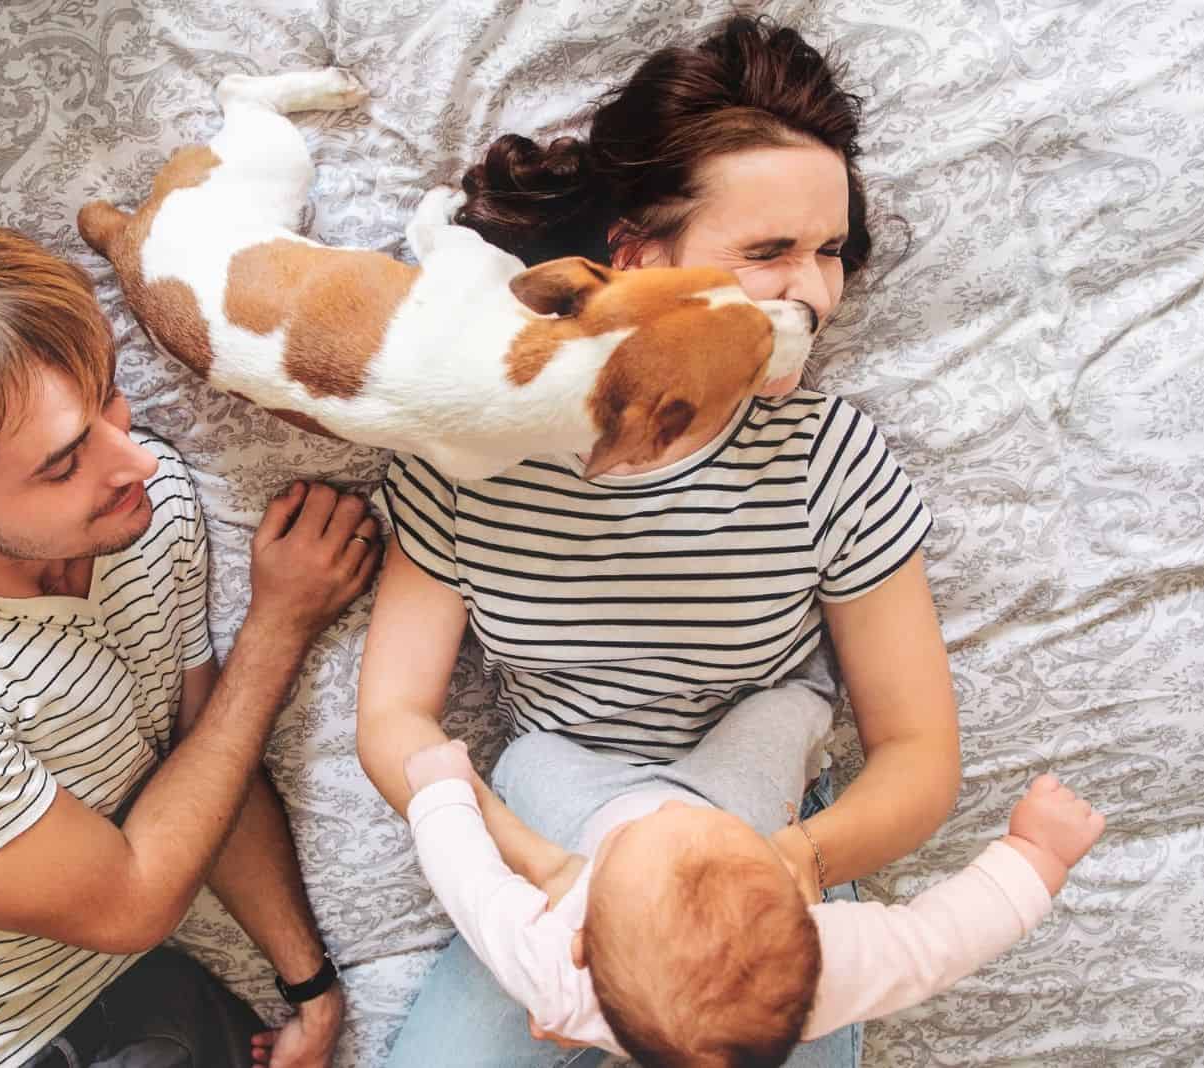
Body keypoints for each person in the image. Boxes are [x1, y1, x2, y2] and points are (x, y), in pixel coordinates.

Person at [356, 16, 959, 1067]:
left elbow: (918, 751)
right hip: (553, 820)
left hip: (761, 837)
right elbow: (396, 716)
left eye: (828, 252)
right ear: (641, 257)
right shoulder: (472, 458)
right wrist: (538, 871)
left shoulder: (828, 458)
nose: (811, 294)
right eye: (767, 253)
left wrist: (786, 866)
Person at [0, 212, 380, 1068]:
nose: (136, 462)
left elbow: (206, 764)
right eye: (61, 464)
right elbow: (132, 897)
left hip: (149, 992)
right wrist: (278, 627)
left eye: (107, 398)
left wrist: (309, 987)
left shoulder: (139, 511)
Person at [398, 729, 1104, 1067]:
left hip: (580, 797)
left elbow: (473, 884)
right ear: (808, 909)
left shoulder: (552, 972)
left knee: (527, 762)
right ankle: (794, 702)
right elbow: (939, 942)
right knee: (782, 716)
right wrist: (1035, 857)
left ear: (578, 933)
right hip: (728, 792)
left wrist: (439, 789)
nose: (674, 809)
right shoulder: (829, 964)